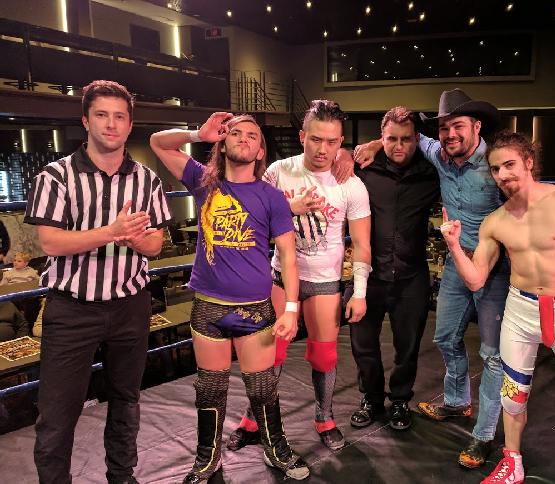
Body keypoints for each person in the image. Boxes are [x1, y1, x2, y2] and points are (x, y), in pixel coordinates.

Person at [440, 130, 555, 484]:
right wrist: (453, 246)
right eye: (495, 169)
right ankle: (513, 463)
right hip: (519, 313)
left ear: (528, 162)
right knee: (512, 398)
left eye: (509, 164)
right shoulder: (496, 221)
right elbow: (476, 279)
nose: (503, 174)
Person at [24, 80, 173, 484]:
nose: (111, 124)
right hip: (72, 309)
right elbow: (51, 242)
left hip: (130, 304)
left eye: (119, 116)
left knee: (126, 401)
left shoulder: (147, 180)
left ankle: (122, 477)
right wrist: (112, 231)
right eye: (102, 115)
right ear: (85, 121)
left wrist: (134, 238)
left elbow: (155, 245)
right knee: (57, 412)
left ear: (130, 124)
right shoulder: (55, 176)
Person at [150, 112, 309, 481]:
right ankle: (207, 459)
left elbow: (288, 255)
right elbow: (158, 143)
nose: (244, 138)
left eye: (252, 135)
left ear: (260, 150)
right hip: (209, 308)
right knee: (209, 388)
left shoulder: (271, 197)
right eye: (235, 133)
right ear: (223, 144)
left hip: (254, 310)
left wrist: (290, 308)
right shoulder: (204, 182)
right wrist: (198, 134)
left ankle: (276, 449)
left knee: (263, 386)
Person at [354, 89, 509, 467]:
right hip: (456, 261)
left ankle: (483, 436)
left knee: (492, 355)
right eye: (444, 127)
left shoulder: (497, 161)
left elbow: (525, 198)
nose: (450, 134)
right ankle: (456, 402)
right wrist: (368, 145)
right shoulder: (437, 153)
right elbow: (398, 137)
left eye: (458, 126)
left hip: (494, 266)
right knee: (445, 337)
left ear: (477, 126)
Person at [228, 99, 372, 453]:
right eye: (316, 139)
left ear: (341, 143)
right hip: (280, 276)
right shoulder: (278, 171)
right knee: (269, 355)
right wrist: (288, 207)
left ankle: (325, 418)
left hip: (325, 281)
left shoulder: (351, 184)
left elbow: (362, 244)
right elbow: (251, 218)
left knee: (324, 357)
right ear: (302, 136)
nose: (323, 149)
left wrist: (360, 291)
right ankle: (253, 418)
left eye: (332, 142)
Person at [347, 106, 440, 431]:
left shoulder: (432, 173)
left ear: (416, 139)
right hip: (368, 275)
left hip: (411, 276)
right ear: (382, 138)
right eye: (391, 139)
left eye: (406, 139)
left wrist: (377, 143)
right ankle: (372, 398)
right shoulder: (363, 169)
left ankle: (400, 400)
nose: (399, 146)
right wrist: (364, 148)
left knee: (408, 346)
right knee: (362, 345)